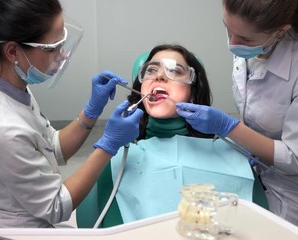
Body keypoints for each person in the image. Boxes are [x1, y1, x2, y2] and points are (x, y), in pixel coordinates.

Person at [0, 0, 143, 228]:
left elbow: (50, 146)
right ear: (13, 51)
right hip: (3, 230)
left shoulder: (8, 83)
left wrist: (91, 111)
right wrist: (108, 146)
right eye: (52, 48)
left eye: (62, 43)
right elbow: (56, 207)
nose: (62, 55)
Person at [175, 0, 298, 238]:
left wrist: (229, 127)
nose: (233, 44)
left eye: (245, 39)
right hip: (250, 177)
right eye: (227, 29)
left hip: (294, 193)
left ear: (281, 31)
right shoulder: (251, 44)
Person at [76, 44, 268, 228]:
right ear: (140, 88)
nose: (159, 76)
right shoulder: (115, 157)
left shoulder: (231, 153)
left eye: (175, 71)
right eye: (151, 70)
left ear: (193, 92)